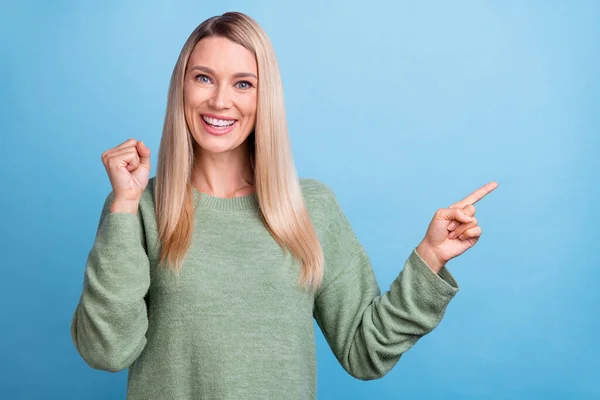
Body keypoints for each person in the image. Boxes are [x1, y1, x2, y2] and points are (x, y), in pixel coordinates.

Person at [70, 11, 497, 400]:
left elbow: (366, 351)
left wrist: (430, 258)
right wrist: (123, 208)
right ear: (181, 87)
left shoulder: (310, 207)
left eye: (243, 83)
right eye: (203, 77)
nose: (220, 100)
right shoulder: (140, 207)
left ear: (264, 97)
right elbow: (107, 351)